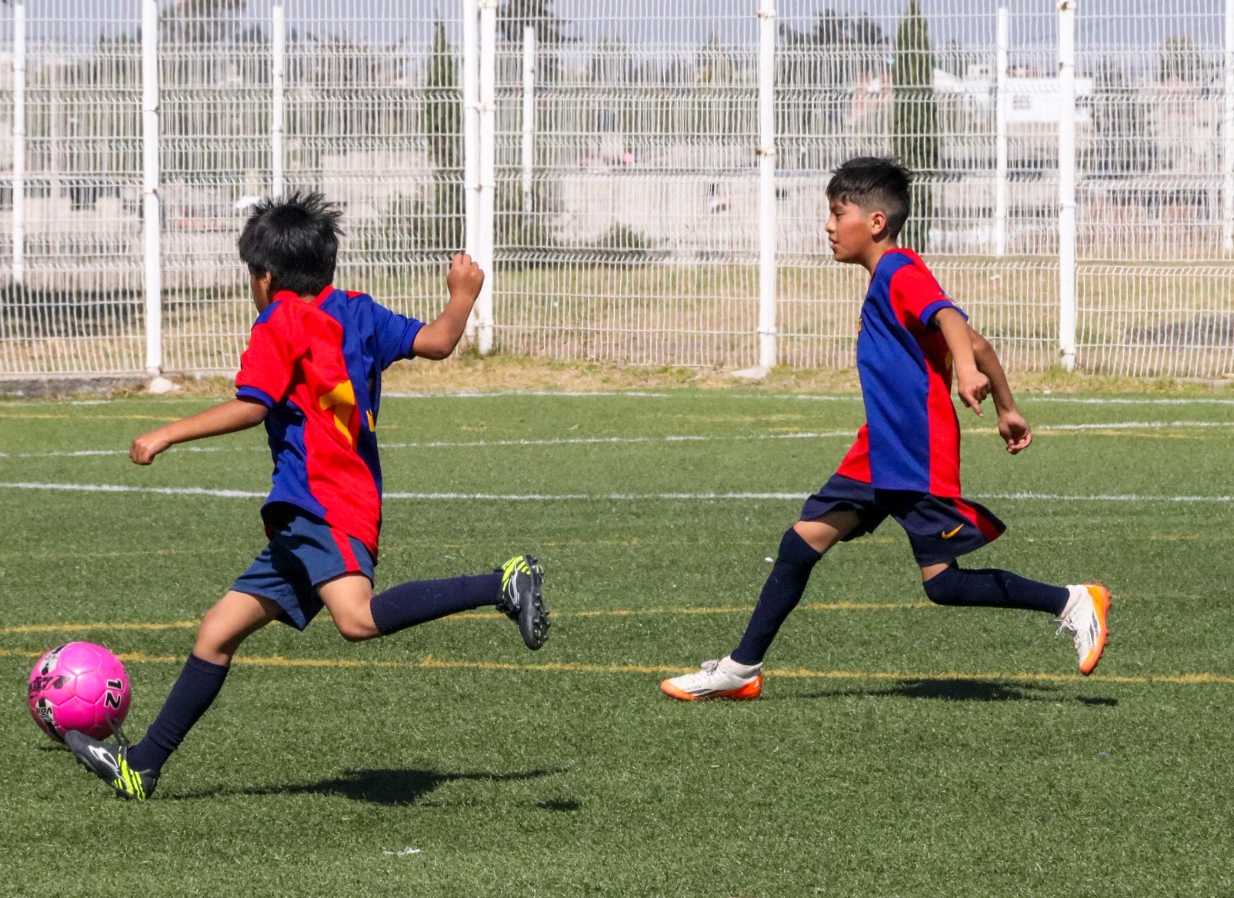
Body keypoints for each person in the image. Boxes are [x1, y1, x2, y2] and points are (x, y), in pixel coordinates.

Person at [64, 191, 550, 800]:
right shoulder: (357, 311)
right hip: (310, 513)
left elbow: (251, 406)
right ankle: (142, 765)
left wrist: (165, 433)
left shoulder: (278, 322)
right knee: (218, 631)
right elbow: (437, 341)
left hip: (325, 503)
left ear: (265, 277)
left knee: (357, 619)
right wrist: (461, 296)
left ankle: (501, 583)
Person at [660, 157, 1110, 702]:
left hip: (911, 450)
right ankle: (741, 668)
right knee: (806, 545)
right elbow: (979, 343)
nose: (828, 226)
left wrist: (968, 375)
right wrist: (1006, 408)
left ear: (875, 222)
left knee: (938, 581)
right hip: (882, 448)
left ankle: (1072, 601)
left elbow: (951, 319)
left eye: (837, 213)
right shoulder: (888, 279)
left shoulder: (899, 270)